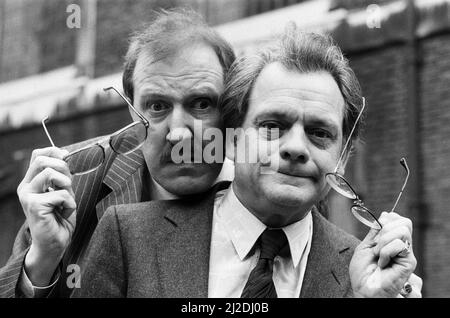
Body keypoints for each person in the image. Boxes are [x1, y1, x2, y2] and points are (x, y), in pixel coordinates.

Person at [73, 27, 422, 298]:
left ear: (342, 158)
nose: (296, 148)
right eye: (272, 126)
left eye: (319, 133)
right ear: (233, 137)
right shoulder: (128, 238)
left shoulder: (365, 275)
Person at [0, 8, 236, 298]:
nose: (179, 134)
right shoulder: (72, 179)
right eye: (158, 106)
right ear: (132, 112)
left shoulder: (274, 181)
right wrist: (43, 259)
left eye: (201, 104)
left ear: (231, 108)